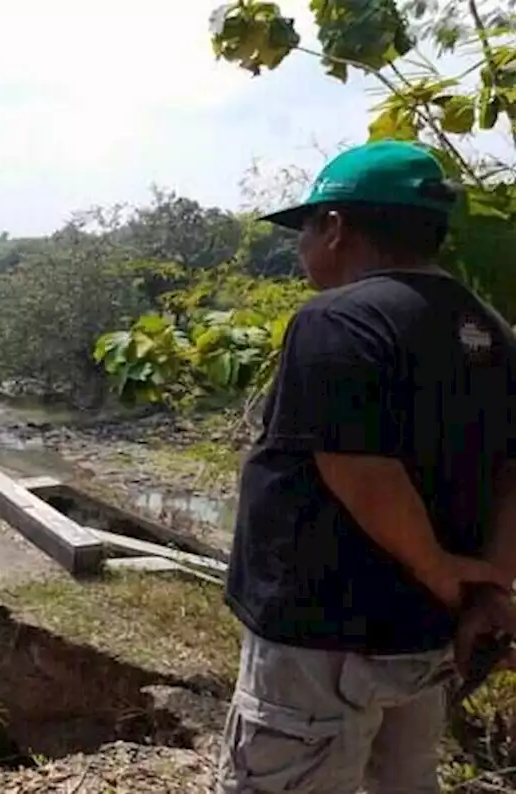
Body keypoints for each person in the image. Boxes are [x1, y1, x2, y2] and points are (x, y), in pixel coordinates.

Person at [216, 139, 517, 793]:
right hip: (424, 639)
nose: (302, 251)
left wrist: (443, 576)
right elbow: (509, 472)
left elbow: (361, 472)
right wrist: (489, 586)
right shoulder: (490, 331)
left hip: (323, 637)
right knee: (403, 780)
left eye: (305, 231)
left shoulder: (339, 319)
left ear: (336, 226)